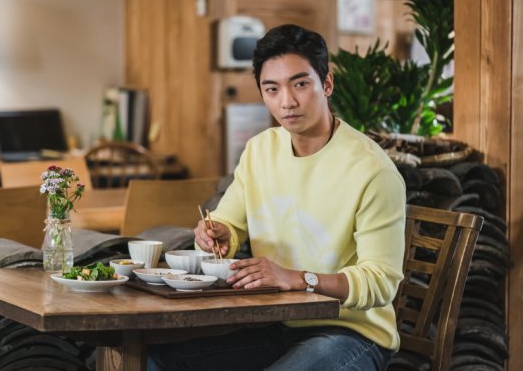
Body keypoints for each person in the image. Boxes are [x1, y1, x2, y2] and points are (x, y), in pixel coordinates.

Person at [148, 24, 406, 370]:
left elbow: (381, 282)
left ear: (326, 84)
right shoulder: (260, 151)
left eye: (300, 84)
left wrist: (299, 278)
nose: (287, 101)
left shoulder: (372, 171)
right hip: (275, 324)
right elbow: (227, 222)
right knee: (150, 361)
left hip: (352, 334)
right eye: (272, 89)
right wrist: (217, 235)